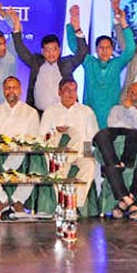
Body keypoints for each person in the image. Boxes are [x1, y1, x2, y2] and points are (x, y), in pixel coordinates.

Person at [93, 82, 137, 221]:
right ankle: (116, 164)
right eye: (133, 93)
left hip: (136, 137)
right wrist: (130, 123)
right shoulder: (116, 109)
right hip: (116, 132)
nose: (136, 97)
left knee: (135, 134)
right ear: (127, 94)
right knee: (101, 134)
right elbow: (112, 124)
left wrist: (132, 110)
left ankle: (124, 202)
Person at [69, 0, 135, 128]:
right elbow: (73, 46)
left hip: (112, 115)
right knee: (87, 142)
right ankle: (87, 150)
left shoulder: (116, 64)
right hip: (90, 113)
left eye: (108, 48)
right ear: (96, 49)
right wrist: (73, 23)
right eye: (101, 48)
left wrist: (123, 21)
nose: (104, 51)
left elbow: (130, 49)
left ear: (112, 49)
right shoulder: (89, 62)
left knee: (107, 145)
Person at [0, 77, 41, 218]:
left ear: (20, 90)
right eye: (7, 88)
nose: (11, 91)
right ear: (3, 91)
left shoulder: (30, 112)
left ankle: (18, 200)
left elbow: (34, 139)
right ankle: (2, 198)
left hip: (21, 151)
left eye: (14, 87)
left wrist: (17, 143)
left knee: (26, 153)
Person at [12, 5, 88, 113]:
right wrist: (16, 25)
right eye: (47, 50)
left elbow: (82, 52)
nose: (51, 53)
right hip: (39, 114)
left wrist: (77, 28)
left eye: (54, 49)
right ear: (42, 51)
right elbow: (21, 50)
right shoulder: (36, 62)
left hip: (63, 113)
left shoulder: (67, 63)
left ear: (59, 50)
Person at [39, 79, 100, 209]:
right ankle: (61, 205)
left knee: (89, 165)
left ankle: (74, 205)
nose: (71, 94)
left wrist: (88, 154)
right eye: (67, 90)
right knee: (54, 169)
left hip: (80, 154)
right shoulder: (50, 111)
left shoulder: (86, 111)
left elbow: (92, 137)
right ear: (59, 92)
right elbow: (42, 136)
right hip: (58, 155)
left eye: (74, 90)